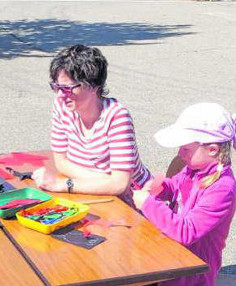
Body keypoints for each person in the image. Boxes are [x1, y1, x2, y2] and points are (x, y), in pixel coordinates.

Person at [32, 44, 151, 207]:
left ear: (94, 85)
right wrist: (106, 182)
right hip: (96, 194)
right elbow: (61, 162)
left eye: (67, 88)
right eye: (56, 87)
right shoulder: (62, 106)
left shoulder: (116, 116)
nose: (60, 95)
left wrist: (64, 184)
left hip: (135, 202)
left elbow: (120, 185)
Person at [133, 103, 236, 286]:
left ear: (213, 150)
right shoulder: (194, 169)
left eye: (186, 149)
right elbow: (176, 186)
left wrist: (148, 204)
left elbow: (186, 231)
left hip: (193, 275)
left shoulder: (222, 189)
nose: (180, 153)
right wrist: (161, 187)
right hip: (174, 260)